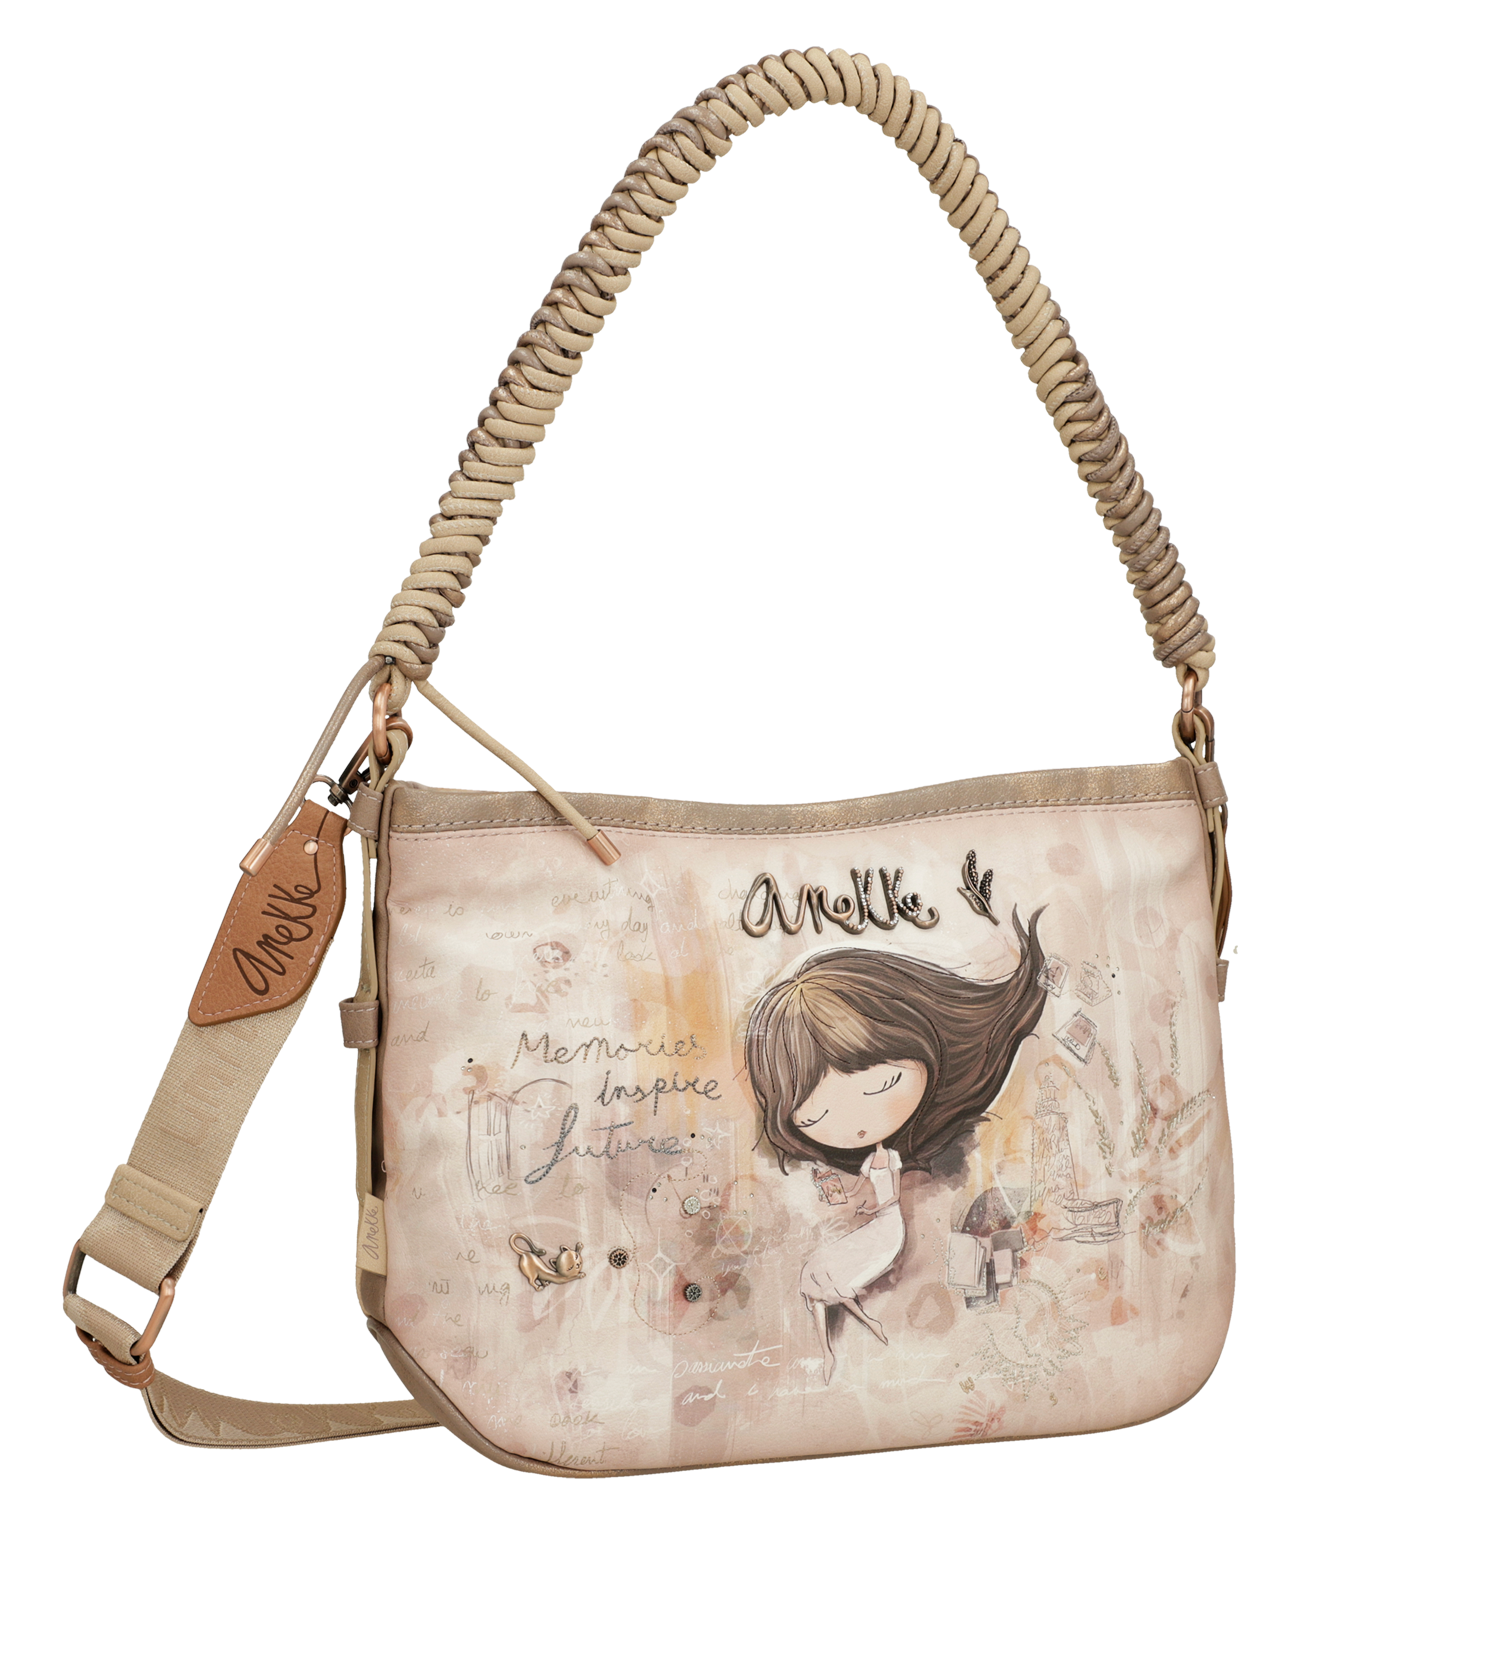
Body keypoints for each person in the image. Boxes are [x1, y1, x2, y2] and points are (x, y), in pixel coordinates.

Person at [743, 910, 1046, 1382]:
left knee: (833, 1277)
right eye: (815, 1117)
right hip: (880, 1227)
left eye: (882, 1084)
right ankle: (841, 1343)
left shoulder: (941, 1158)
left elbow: (888, 1197)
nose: (856, 1125)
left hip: (891, 1232)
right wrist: (846, 1196)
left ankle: (848, 1335)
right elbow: (864, 1193)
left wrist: (869, 1202)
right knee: (825, 1278)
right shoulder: (871, 1162)